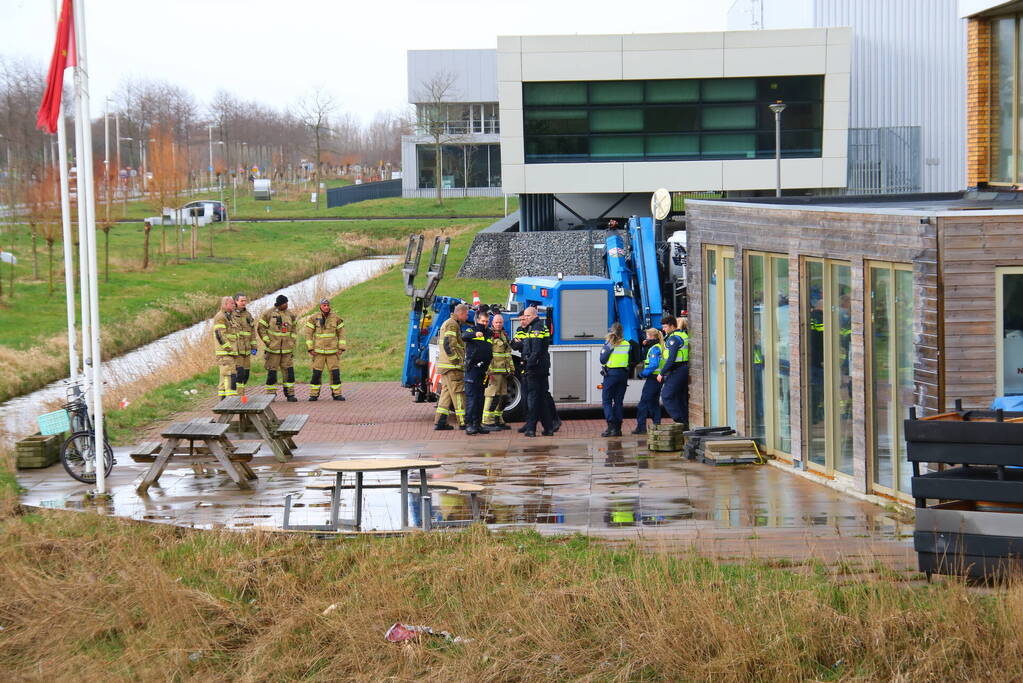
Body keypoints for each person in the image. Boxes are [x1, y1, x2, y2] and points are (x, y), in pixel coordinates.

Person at [512, 306, 554, 437]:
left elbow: (535, 351)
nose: (524, 318)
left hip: (535, 369)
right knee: (540, 399)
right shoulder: (535, 327)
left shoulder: (536, 328)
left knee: (533, 399)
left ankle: (531, 429)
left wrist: (528, 365)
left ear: (533, 316)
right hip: (540, 367)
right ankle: (548, 428)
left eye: (526, 316)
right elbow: (517, 344)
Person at [434, 303, 470, 430]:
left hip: (446, 367)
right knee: (459, 393)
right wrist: (457, 362)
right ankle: (464, 422)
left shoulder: (451, 323)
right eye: (466, 314)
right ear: (460, 313)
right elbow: (448, 345)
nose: (467, 316)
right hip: (452, 367)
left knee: (446, 394)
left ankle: (440, 422)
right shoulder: (452, 324)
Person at [304, 298, 346, 401]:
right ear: (320, 306)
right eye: (324, 305)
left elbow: (342, 334)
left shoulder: (336, 318)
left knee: (335, 373)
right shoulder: (313, 318)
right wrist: (310, 348)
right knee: (316, 374)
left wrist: (341, 348)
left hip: (333, 352)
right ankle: (314, 394)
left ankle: (337, 394)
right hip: (318, 352)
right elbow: (308, 334)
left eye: (328, 305)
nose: (326, 307)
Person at [259, 294, 298, 401]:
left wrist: (292, 341)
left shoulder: (290, 314)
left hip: (287, 350)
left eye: (287, 303)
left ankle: (290, 394)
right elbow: (261, 328)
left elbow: (294, 328)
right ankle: (271, 395)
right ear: (279, 304)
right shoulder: (268, 313)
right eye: (284, 303)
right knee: (272, 373)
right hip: (273, 350)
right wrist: (268, 342)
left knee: (289, 373)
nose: (286, 305)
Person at [461, 307, 493, 435]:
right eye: (483, 321)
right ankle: (469, 424)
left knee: (480, 398)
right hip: (472, 369)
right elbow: (464, 336)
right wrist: (475, 334)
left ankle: (477, 424)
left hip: (483, 371)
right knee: (472, 398)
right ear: (478, 320)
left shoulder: (489, 333)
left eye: (486, 321)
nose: (484, 324)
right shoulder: (472, 330)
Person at [599, 322, 631, 437]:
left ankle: (610, 426)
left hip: (611, 375)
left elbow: (602, 360)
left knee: (607, 401)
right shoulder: (627, 344)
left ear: (611, 331)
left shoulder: (609, 344)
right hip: (623, 375)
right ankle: (618, 429)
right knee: (618, 402)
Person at [483, 312, 513, 430]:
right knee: (491, 395)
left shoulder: (504, 335)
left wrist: (511, 369)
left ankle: (498, 419)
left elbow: (508, 353)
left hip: (504, 371)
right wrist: (489, 370)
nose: (499, 324)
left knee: (503, 396)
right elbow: (487, 353)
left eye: (500, 322)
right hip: (494, 371)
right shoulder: (490, 335)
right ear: (492, 323)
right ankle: (487, 420)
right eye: (496, 322)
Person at [633, 328, 666, 434]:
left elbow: (653, 364)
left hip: (653, 378)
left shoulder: (655, 349)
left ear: (652, 337)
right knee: (654, 403)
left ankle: (641, 427)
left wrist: (642, 374)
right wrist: (645, 346)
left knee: (643, 403)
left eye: (647, 336)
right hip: (658, 379)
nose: (646, 338)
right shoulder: (658, 346)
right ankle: (657, 425)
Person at [659, 315, 689, 425]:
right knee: (680, 398)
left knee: (666, 395)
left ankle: (680, 420)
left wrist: (661, 373)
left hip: (678, 369)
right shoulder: (683, 334)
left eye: (665, 327)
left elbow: (671, 359)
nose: (663, 329)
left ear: (672, 326)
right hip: (684, 369)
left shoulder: (673, 338)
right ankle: (686, 422)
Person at [212, 296, 239, 398]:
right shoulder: (220, 317)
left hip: (229, 352)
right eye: (232, 303)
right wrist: (229, 349)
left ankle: (223, 400)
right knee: (229, 374)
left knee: (223, 377)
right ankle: (231, 400)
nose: (234, 305)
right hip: (225, 352)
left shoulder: (229, 316)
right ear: (225, 304)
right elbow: (220, 335)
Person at [232, 293, 258, 396]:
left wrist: (254, 347)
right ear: (236, 301)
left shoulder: (248, 315)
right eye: (241, 301)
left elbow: (252, 332)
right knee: (239, 374)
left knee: (246, 375)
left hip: (247, 351)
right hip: (237, 351)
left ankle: (240, 394)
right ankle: (239, 396)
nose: (244, 303)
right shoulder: (231, 315)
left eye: (245, 301)